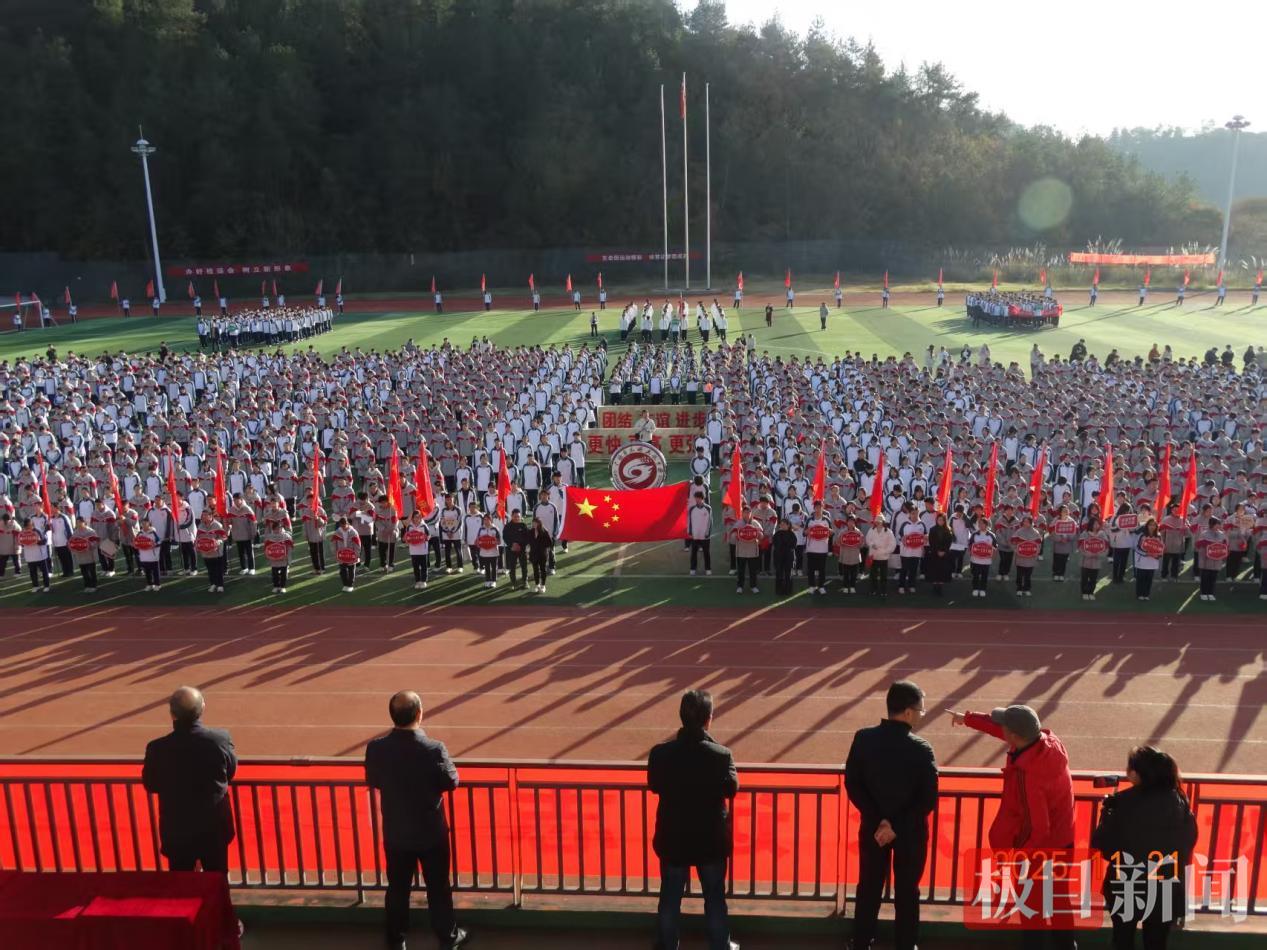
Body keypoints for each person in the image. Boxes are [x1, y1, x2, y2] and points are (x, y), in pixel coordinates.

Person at [952, 704, 1076, 949]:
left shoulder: (1029, 775)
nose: (1002, 730)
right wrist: (969, 719)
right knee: (1059, 903)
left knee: (1032, 909)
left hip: (1038, 850)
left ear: (1015, 736)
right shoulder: (1046, 744)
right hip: (1063, 840)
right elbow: (1002, 730)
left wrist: (1018, 858)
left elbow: (1038, 827)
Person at [365, 691, 468, 950]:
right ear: (419, 714)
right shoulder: (434, 749)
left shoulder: (376, 748)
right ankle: (447, 936)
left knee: (398, 889)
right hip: (430, 832)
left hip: (396, 832)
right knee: (438, 887)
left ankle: (396, 939)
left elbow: (374, 779)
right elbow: (451, 782)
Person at [845, 681, 938, 950]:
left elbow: (853, 783)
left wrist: (879, 821)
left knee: (869, 887)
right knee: (907, 891)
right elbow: (927, 798)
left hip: (873, 829)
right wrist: (895, 824)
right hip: (910, 832)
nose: (921, 715)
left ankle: (861, 942)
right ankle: (906, 944)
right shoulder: (921, 748)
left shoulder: (863, 738)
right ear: (908, 712)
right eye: (920, 710)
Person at [648, 689, 739, 950]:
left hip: (674, 836)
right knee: (714, 897)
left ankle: (667, 944)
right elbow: (731, 788)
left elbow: (654, 784)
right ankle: (720, 945)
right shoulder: (721, 755)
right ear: (708, 719)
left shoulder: (661, 754)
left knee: (670, 896)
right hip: (709, 840)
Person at [1091, 747, 1197, 950]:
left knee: (1122, 940)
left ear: (1138, 774)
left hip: (1126, 883)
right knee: (1156, 943)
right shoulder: (1180, 801)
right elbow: (1188, 840)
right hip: (1166, 885)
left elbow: (1102, 844)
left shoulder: (1121, 802)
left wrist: (1107, 814)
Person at [142, 687, 237, 872]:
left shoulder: (158, 748)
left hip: (178, 830)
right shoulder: (220, 740)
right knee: (217, 880)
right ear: (202, 709)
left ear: (172, 713)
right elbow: (230, 772)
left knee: (181, 883)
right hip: (213, 827)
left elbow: (151, 784)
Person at [865, 514, 896, 598]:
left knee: (883, 575)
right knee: (873, 575)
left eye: (879, 521)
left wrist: (885, 551)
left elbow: (892, 544)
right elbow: (867, 539)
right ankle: (873, 590)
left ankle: (883, 591)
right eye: (877, 521)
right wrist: (872, 544)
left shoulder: (888, 531)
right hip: (873, 557)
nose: (878, 523)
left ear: (883, 522)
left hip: (883, 557)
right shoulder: (871, 530)